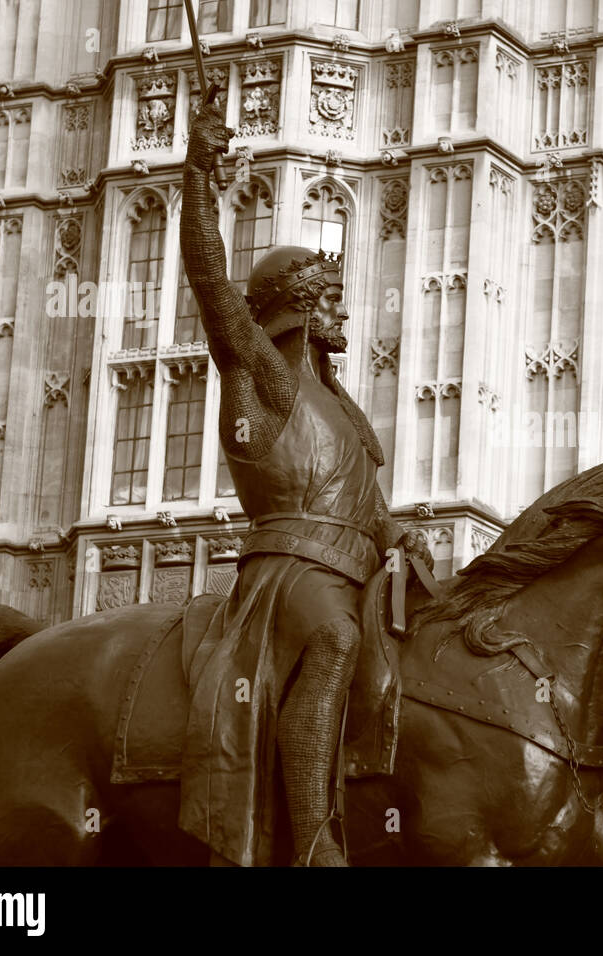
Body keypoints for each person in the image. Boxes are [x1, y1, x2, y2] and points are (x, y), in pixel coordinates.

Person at [177, 98, 430, 866]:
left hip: (356, 567)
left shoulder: (344, 414)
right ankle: (316, 840)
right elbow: (212, 282)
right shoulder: (267, 377)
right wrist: (197, 174)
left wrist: (400, 536)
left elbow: (369, 507)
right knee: (333, 640)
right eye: (326, 296)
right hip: (293, 573)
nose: (341, 308)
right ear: (296, 308)